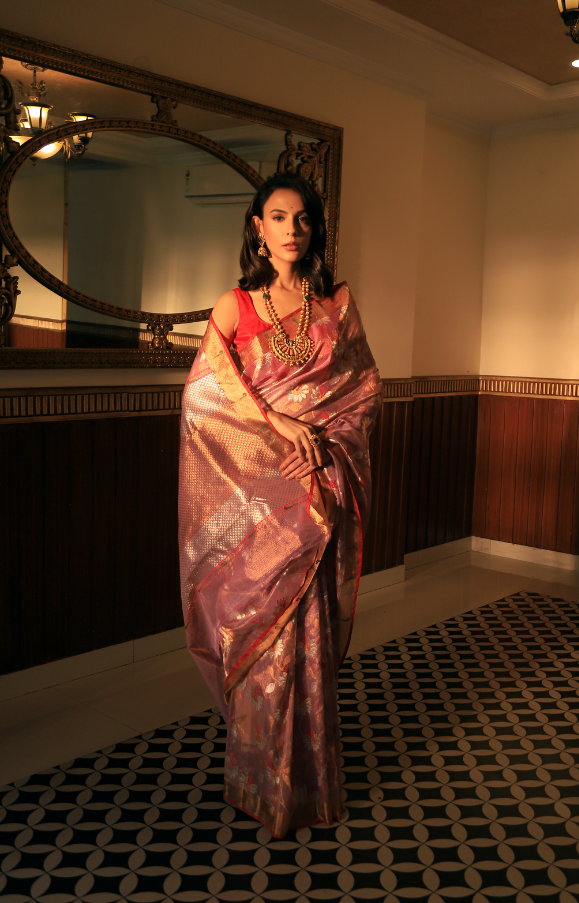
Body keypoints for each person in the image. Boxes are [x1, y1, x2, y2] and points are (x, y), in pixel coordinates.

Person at [178, 172, 382, 838]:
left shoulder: (337, 306)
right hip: (260, 500)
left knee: (310, 639)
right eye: (278, 216)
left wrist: (322, 443)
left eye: (302, 218)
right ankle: (260, 782)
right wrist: (275, 425)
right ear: (257, 228)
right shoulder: (234, 306)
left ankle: (313, 781)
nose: (292, 228)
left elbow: (363, 395)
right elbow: (204, 403)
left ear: (314, 229)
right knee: (263, 640)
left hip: (317, 493)